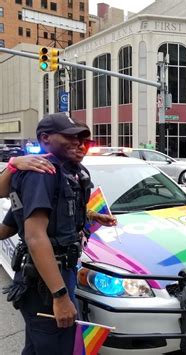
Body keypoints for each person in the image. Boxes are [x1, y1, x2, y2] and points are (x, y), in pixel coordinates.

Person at [4, 113, 114, 354]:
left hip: (58, 272)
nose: (79, 142)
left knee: (40, 346)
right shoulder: (41, 172)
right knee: (58, 346)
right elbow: (34, 236)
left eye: (83, 138)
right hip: (44, 283)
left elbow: (13, 225)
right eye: (70, 137)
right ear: (45, 138)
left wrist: (92, 216)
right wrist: (60, 296)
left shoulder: (71, 172)